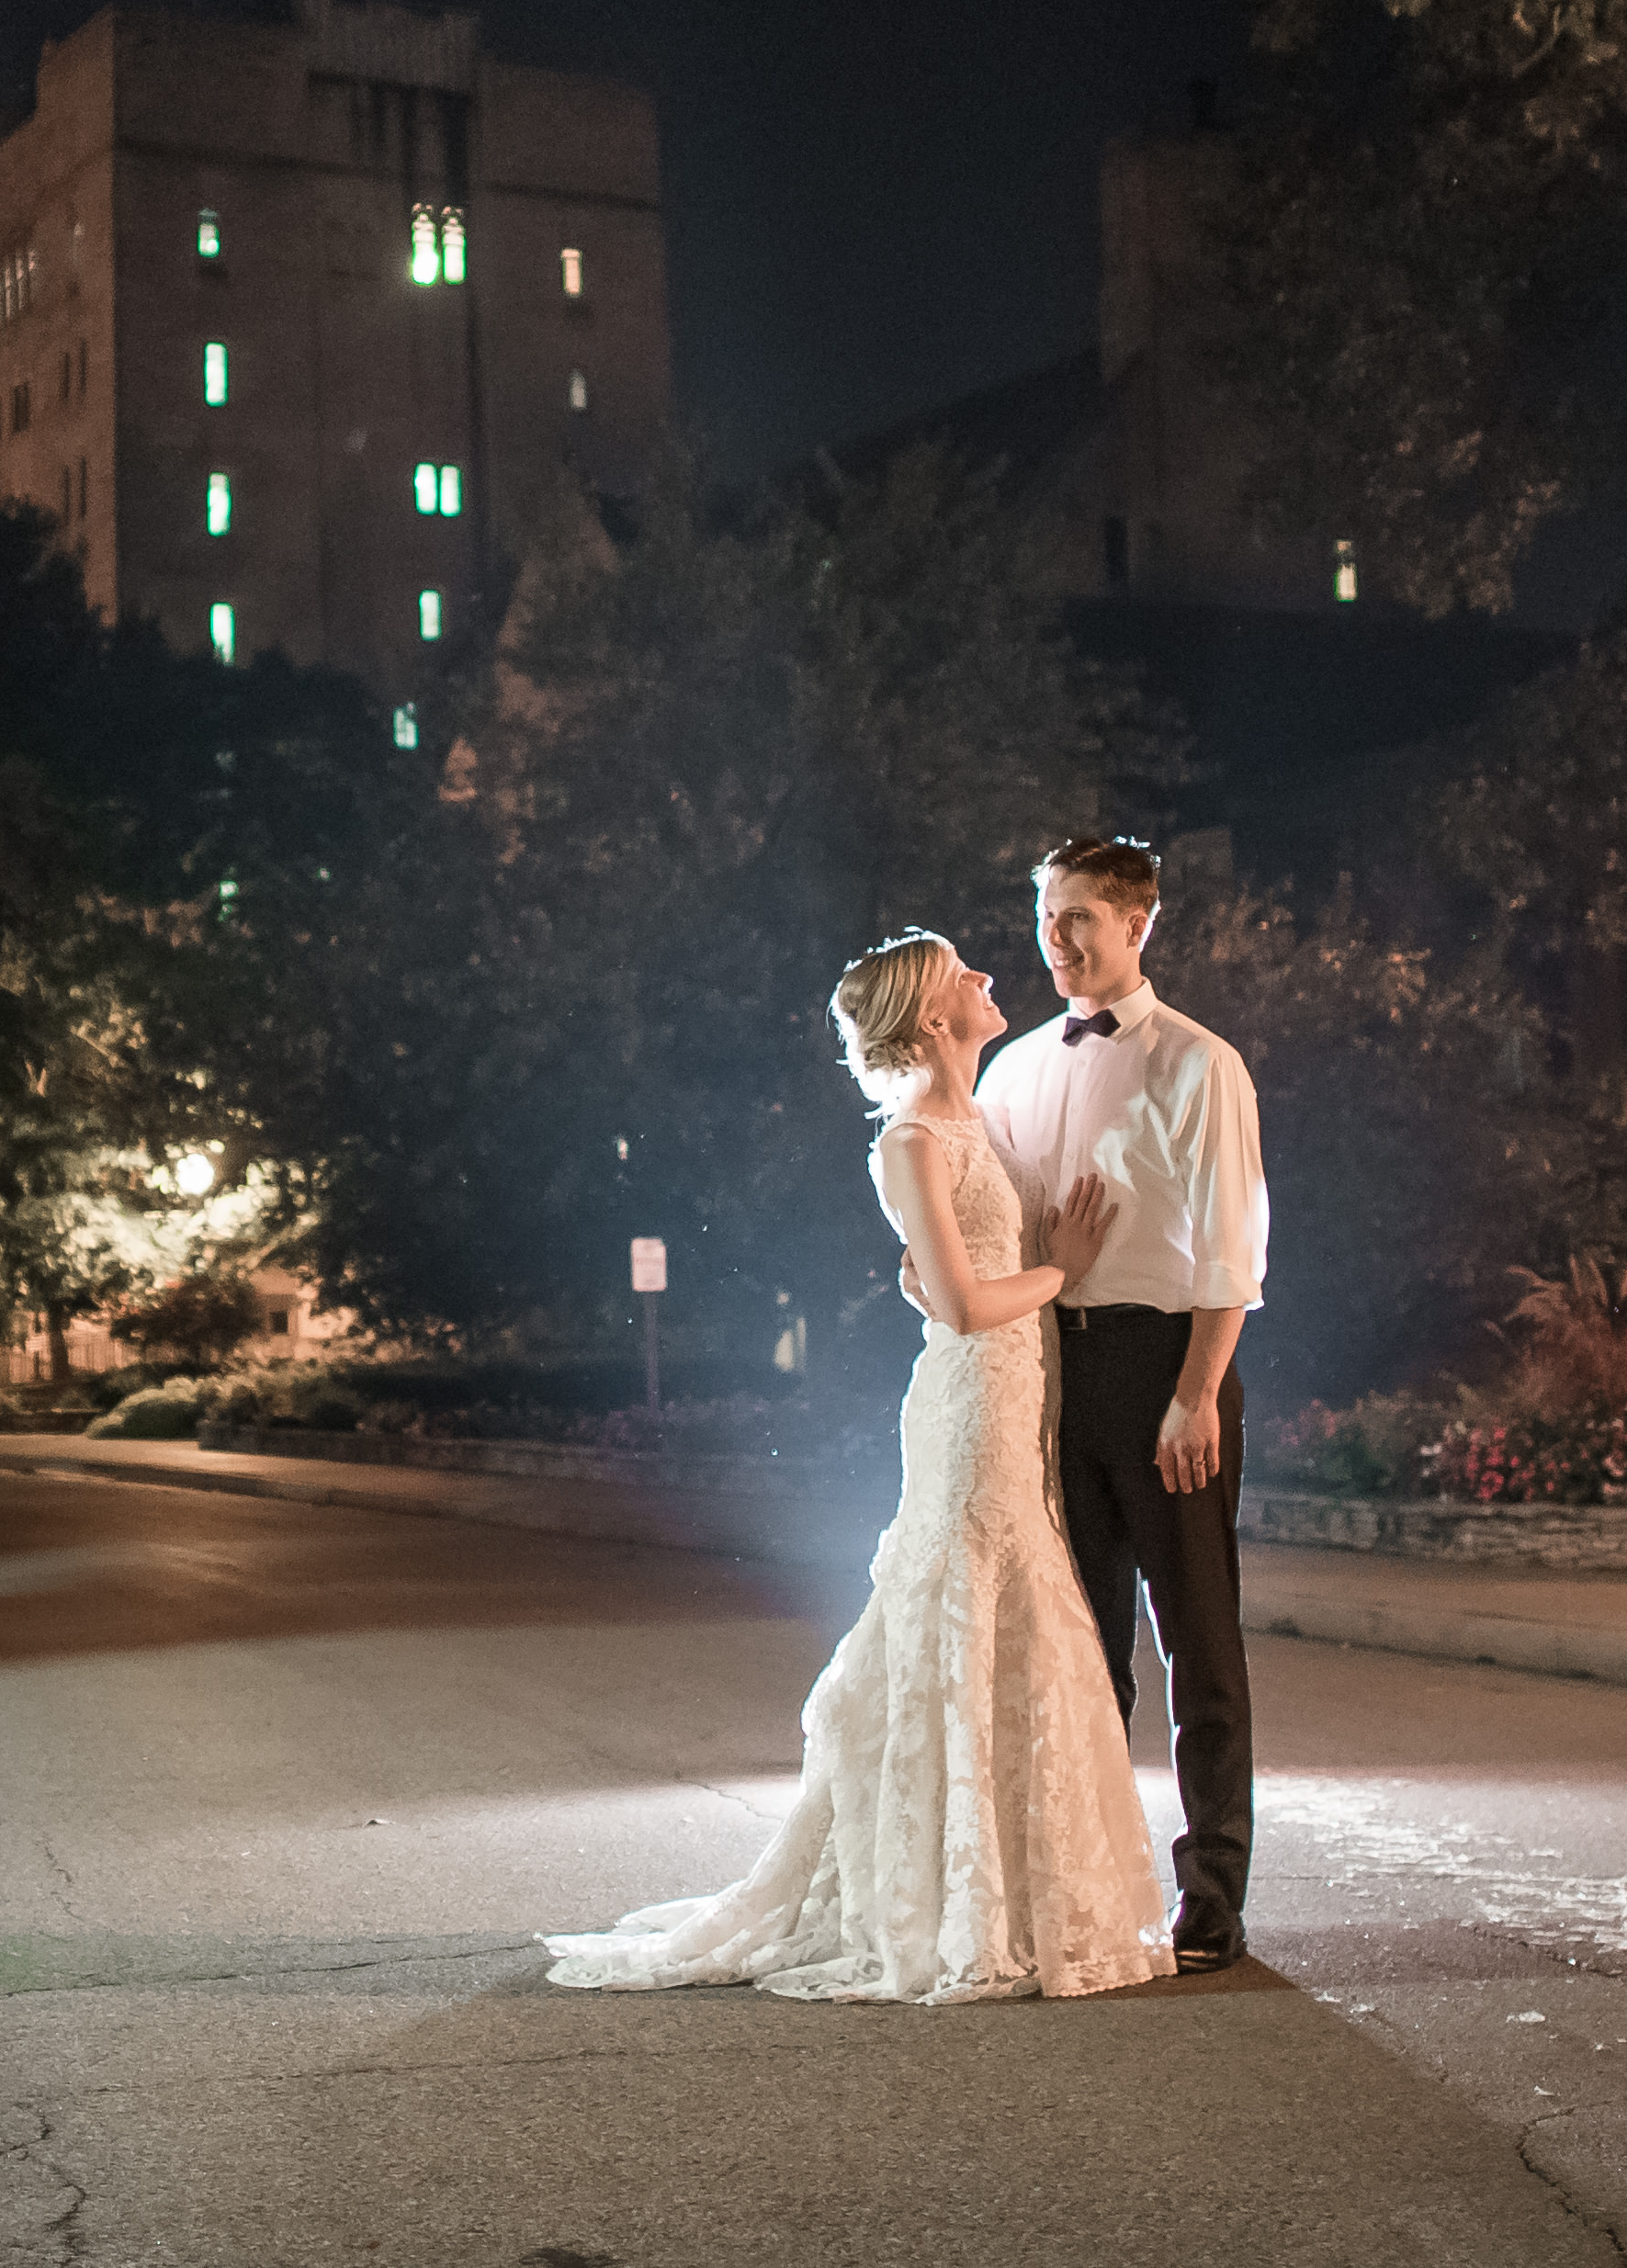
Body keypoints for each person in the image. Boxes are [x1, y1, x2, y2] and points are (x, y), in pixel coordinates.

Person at [543, 930, 1169, 2005]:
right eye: (962, 973)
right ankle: (947, 1898)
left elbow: (957, 1274)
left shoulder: (984, 1120)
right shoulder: (912, 1142)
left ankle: (1024, 1890)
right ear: (931, 1016)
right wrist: (1059, 1268)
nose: (985, 979)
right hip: (972, 1405)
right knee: (968, 1607)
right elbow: (968, 1305)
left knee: (1023, 1615)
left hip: (1028, 1393)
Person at [977, 833, 1267, 1974]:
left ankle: (1213, 1899)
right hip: (1054, 1369)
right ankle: (1090, 1886)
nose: (1055, 939)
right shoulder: (1015, 1071)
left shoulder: (1201, 1066)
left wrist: (1195, 1395)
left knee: (1198, 1641)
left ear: (1137, 922)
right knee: (1081, 1647)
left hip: (1165, 1371)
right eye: (1046, 917)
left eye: (1077, 918)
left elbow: (1232, 1255)